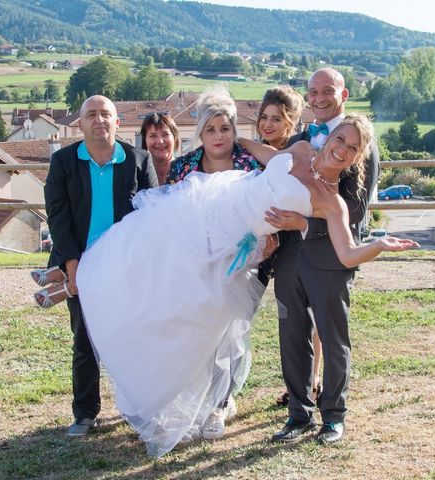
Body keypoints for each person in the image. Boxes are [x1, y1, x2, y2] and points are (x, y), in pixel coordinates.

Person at [75, 112, 417, 457]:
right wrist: (229, 134)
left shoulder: (332, 203)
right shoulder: (298, 151)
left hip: (235, 242)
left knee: (192, 308)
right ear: (328, 139)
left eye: (352, 147)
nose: (341, 149)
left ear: (357, 158)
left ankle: (191, 395)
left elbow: (346, 253)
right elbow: (260, 151)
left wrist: (378, 246)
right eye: (339, 139)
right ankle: (72, 283)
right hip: (212, 205)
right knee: (151, 258)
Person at [267, 67, 380, 445]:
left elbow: (357, 208)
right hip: (289, 255)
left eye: (327, 90)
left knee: (333, 337)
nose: (318, 97)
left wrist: (304, 220)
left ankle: (334, 416)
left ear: (342, 94)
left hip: (332, 256)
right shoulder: (297, 141)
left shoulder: (359, 142)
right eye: (312, 91)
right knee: (291, 333)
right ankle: (298, 414)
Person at [43, 95, 158, 437]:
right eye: (91, 115)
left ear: (117, 122)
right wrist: (71, 263)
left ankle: (137, 407)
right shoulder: (64, 162)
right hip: (81, 264)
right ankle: (85, 412)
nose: (99, 120)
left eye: (106, 114)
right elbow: (58, 215)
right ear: (80, 124)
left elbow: (150, 215)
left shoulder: (138, 159)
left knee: (133, 337)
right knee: (85, 339)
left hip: (126, 267)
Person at [166, 88, 274, 442]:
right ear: (200, 132)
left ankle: (219, 403)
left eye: (224, 129)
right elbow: (170, 218)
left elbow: (266, 210)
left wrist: (263, 246)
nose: (218, 136)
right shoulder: (183, 167)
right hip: (195, 266)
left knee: (228, 337)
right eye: (210, 129)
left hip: (241, 266)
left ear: (234, 130)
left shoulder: (250, 164)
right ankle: (198, 401)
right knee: (199, 337)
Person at [252, 86, 324, 406]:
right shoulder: (256, 158)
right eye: (264, 118)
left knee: (312, 316)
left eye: (276, 119)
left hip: (306, 240)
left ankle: (312, 382)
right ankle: (302, 383)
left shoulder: (298, 151)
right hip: (275, 247)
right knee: (291, 321)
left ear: (291, 122)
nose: (268, 125)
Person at [140, 112, 180, 185]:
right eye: (153, 136)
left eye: (165, 134)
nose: (160, 141)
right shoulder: (137, 174)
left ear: (175, 138)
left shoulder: (188, 172)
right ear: (144, 140)